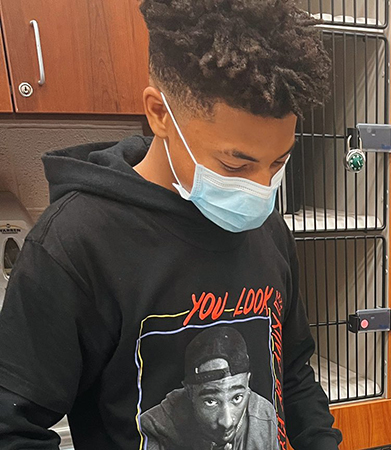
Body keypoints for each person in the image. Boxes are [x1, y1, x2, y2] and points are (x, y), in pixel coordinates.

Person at [0, 1, 341, 449]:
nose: (261, 189)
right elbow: (14, 427)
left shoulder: (267, 227)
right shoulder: (75, 243)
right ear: (160, 114)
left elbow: (293, 373)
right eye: (235, 164)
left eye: (278, 162)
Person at [141, 327, 279, 450]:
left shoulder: (264, 417)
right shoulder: (153, 427)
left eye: (237, 398)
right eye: (211, 401)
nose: (227, 422)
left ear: (247, 383)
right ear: (189, 393)